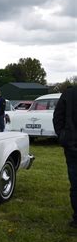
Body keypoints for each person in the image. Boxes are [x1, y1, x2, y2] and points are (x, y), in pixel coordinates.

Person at [53, 86, 77, 228]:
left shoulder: (69, 93)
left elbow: (57, 117)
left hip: (71, 144)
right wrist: (63, 136)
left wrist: (63, 136)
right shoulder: (69, 93)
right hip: (72, 144)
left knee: (75, 184)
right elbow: (58, 117)